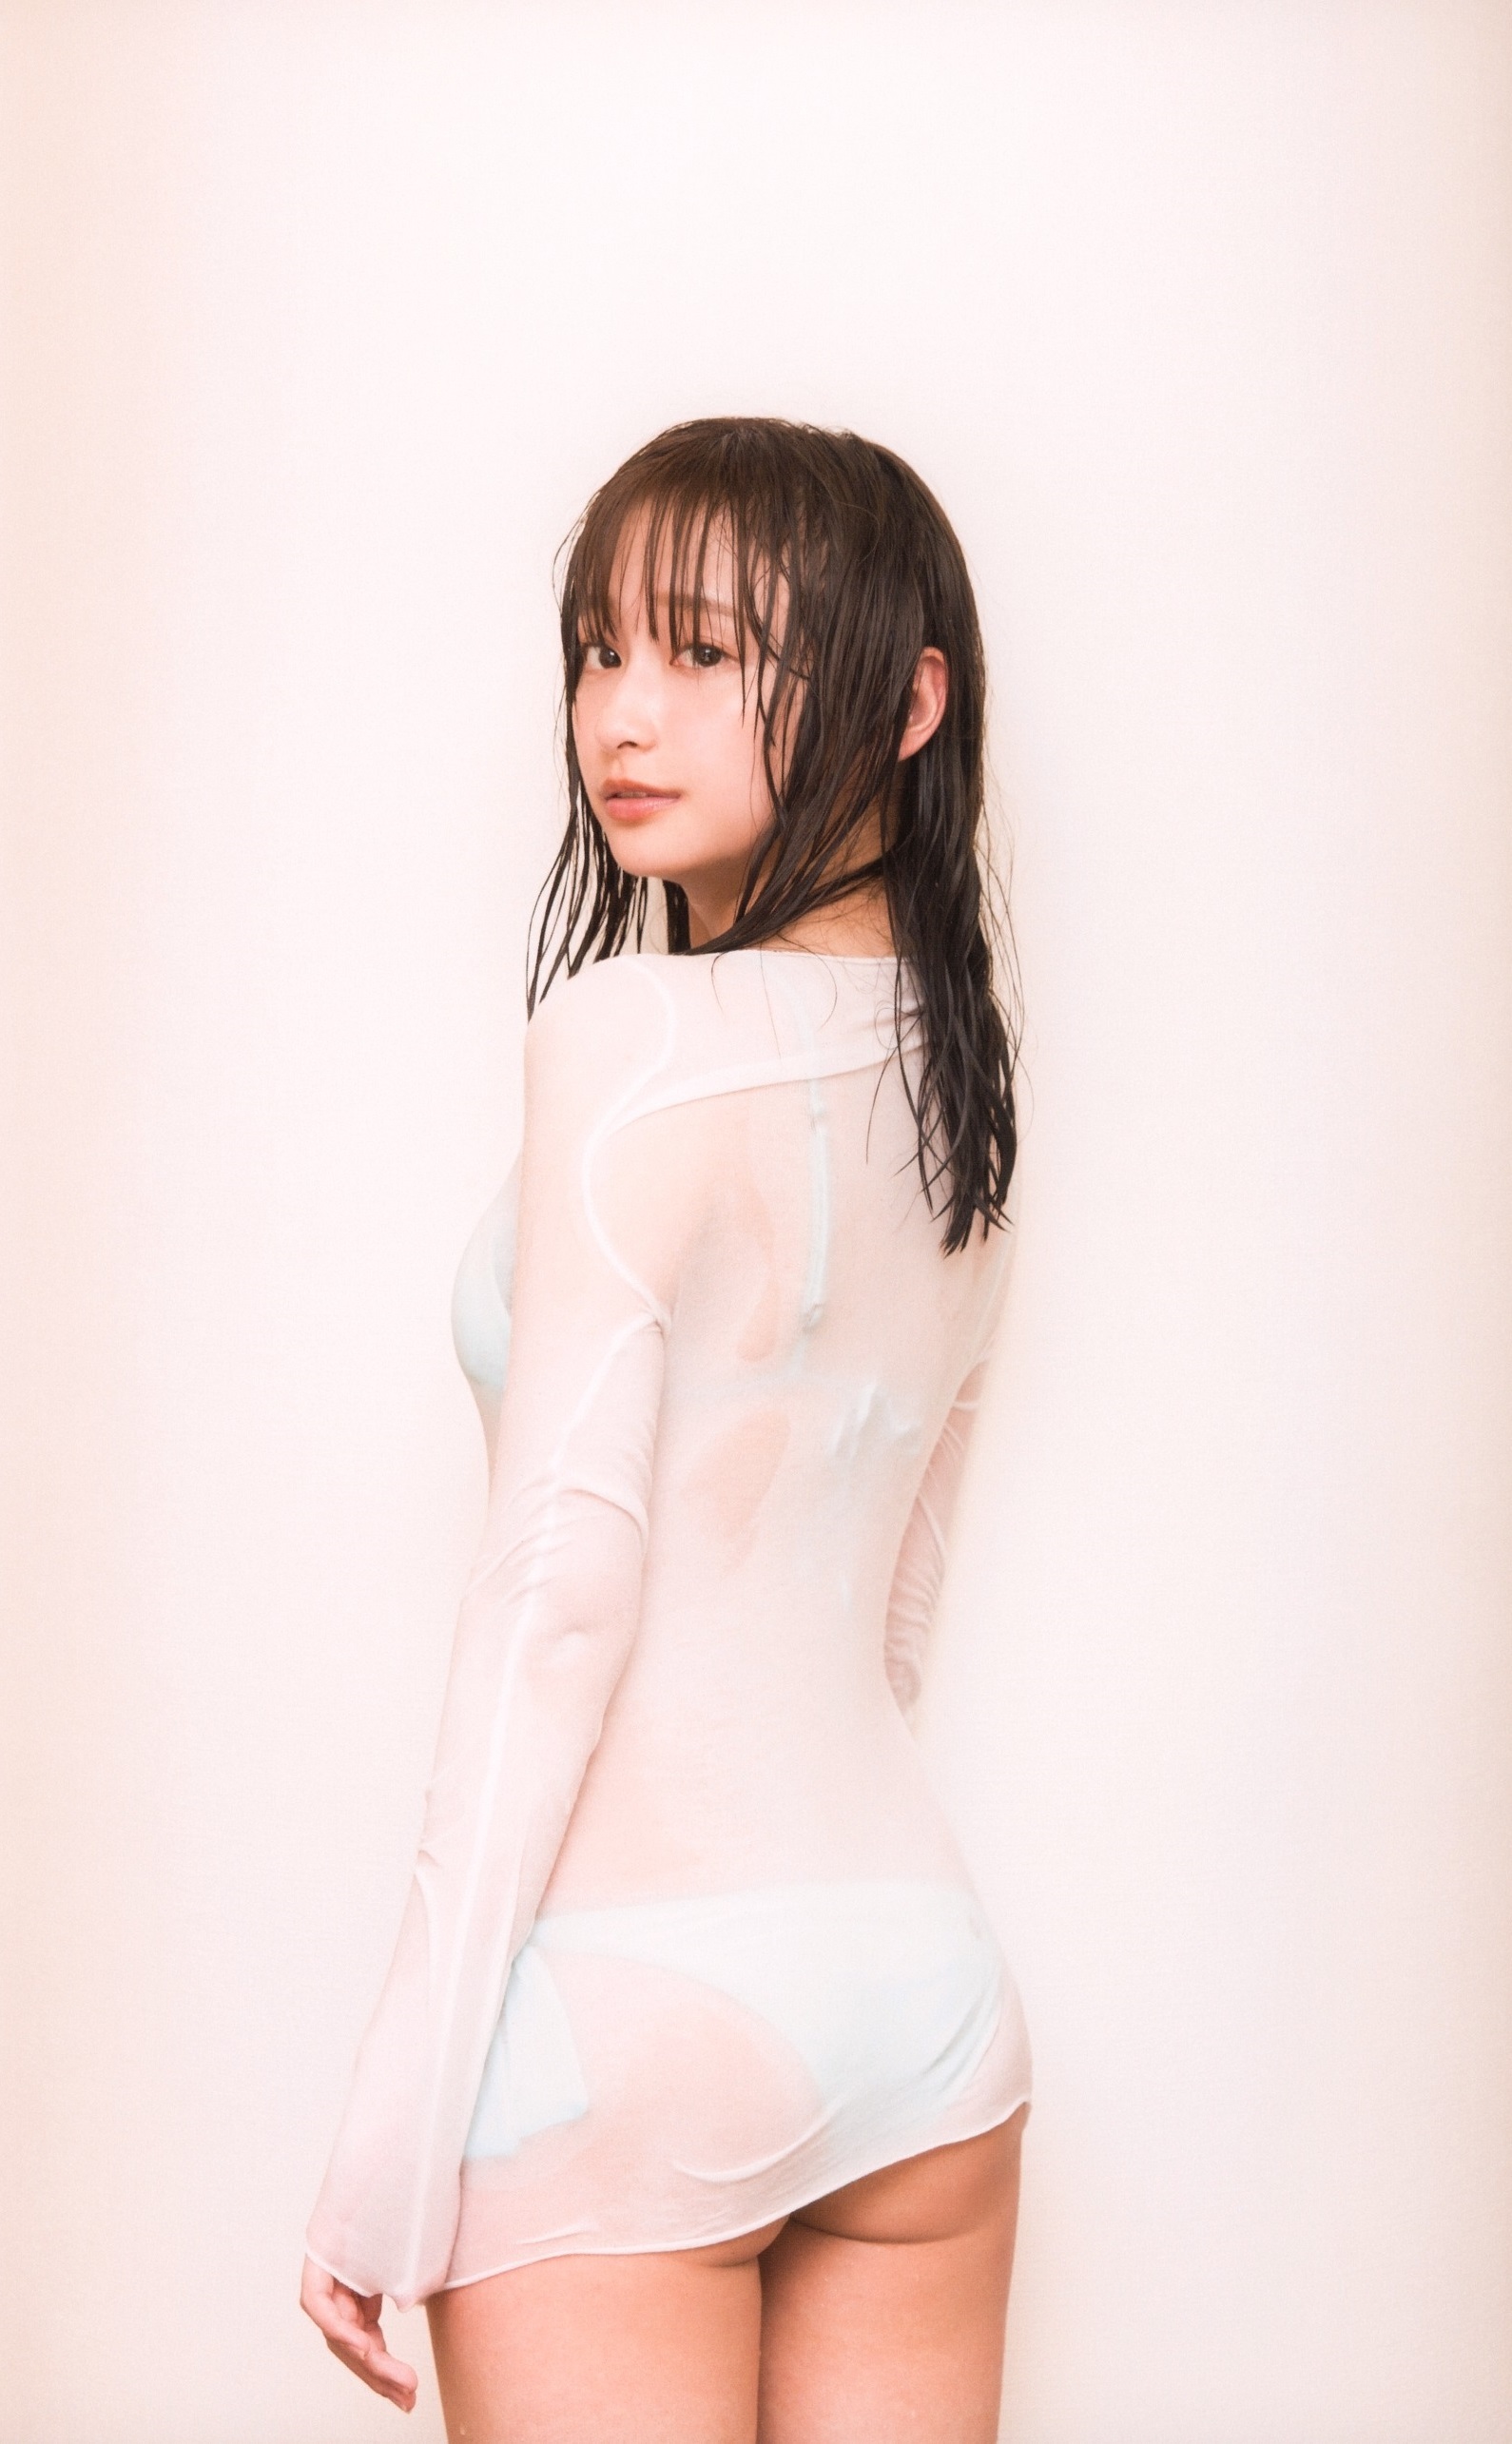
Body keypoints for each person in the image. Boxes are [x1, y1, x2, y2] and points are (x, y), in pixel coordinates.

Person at [300, 416, 1032, 2443]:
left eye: (703, 651)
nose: (621, 714)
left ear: (906, 703)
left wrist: (394, 2124)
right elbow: (892, 1611)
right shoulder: (962, 1091)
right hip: (920, 1998)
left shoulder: (625, 1038)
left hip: (624, 2022)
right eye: (597, 649)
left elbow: (558, 1598)